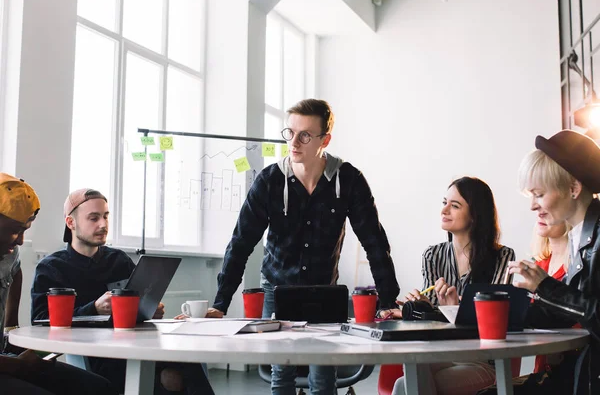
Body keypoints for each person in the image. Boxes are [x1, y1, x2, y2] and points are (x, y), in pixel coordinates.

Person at [209, 99, 400, 395]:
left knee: (323, 379)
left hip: (324, 293)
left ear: (325, 140)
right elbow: (240, 244)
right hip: (278, 291)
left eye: (305, 135)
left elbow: (374, 242)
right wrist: (219, 304)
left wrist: (388, 301)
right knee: (282, 376)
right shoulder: (270, 181)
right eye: (290, 132)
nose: (293, 142)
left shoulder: (348, 180)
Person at [31, 188, 214, 395]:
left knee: (188, 361)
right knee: (174, 376)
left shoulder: (119, 260)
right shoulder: (52, 268)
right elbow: (40, 320)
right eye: (93, 218)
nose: (103, 224)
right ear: (70, 223)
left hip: (136, 346)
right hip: (97, 356)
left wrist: (148, 310)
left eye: (106, 216)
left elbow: (136, 305)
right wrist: (94, 309)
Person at [483, 130, 600, 394]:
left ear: (573, 188)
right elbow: (565, 314)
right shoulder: (580, 236)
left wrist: (544, 286)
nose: (532, 206)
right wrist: (497, 309)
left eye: (538, 194)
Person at [387, 177, 516, 395]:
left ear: (475, 215)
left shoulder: (503, 256)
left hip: (483, 361)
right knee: (404, 382)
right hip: (442, 353)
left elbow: (495, 321)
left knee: (414, 385)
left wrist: (453, 310)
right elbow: (429, 325)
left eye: (455, 205)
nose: (444, 210)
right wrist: (422, 307)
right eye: (444, 202)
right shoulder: (433, 255)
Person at [0, 174, 117, 395]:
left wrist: (11, 331)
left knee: (100, 388)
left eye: (25, 230)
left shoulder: (9, 254)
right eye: (15, 230)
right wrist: (19, 366)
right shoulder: (52, 267)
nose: (20, 241)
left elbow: (14, 271)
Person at [530, 221, 575, 375]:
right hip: (542, 369)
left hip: (569, 365)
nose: (538, 211)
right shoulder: (539, 265)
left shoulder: (577, 266)